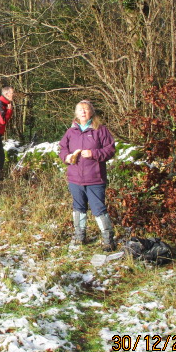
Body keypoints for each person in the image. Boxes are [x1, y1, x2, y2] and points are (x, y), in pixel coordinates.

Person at [58, 100, 116, 251]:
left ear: (91, 112)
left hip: (95, 178)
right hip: (75, 178)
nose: (83, 112)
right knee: (78, 207)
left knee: (98, 209)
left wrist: (94, 153)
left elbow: (110, 150)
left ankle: (108, 240)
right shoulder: (71, 132)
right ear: (76, 114)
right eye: (80, 110)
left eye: (86, 109)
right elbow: (62, 148)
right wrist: (67, 157)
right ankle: (79, 237)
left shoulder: (101, 130)